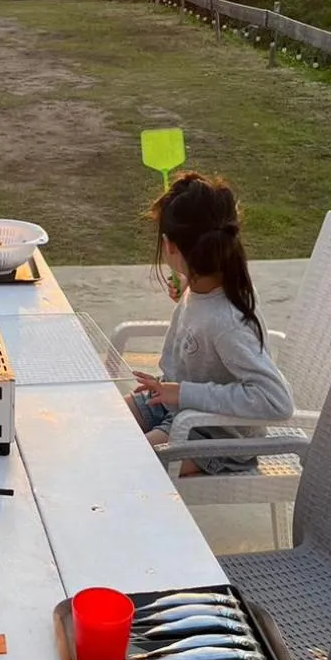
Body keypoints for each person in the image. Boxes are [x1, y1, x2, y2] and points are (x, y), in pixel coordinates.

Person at [127, 172, 293, 475]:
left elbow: (276, 400)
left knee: (128, 466)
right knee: (100, 427)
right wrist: (187, 287)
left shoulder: (227, 321)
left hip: (214, 434)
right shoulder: (209, 280)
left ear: (170, 246)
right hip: (173, 406)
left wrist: (182, 393)